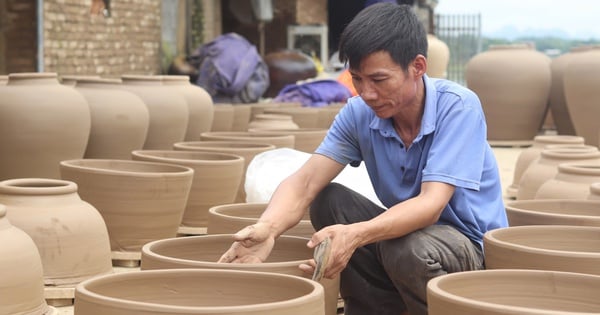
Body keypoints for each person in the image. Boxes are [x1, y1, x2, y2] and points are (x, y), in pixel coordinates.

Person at [218, 3, 508, 315]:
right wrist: (268, 228)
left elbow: (430, 205)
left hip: (467, 246)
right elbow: (305, 183)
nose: (367, 93)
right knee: (330, 201)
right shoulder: (360, 113)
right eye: (357, 79)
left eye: (379, 79)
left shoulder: (458, 108)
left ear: (418, 67)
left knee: (405, 247)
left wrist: (355, 235)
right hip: (408, 239)